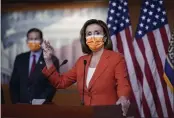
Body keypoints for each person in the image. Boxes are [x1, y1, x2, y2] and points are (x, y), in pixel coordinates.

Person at [42, 19, 131, 116]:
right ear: (85, 39)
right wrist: (48, 59)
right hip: (86, 114)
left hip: (108, 114)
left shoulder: (116, 58)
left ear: (105, 38)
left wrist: (123, 97)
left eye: (97, 33)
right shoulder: (81, 61)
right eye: (89, 34)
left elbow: (123, 84)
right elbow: (61, 82)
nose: (92, 37)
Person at [9, 28, 59, 104]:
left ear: (41, 41)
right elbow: (14, 83)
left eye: (36, 39)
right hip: (21, 105)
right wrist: (16, 102)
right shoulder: (20, 58)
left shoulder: (51, 60)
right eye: (31, 39)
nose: (33, 41)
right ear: (27, 41)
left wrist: (43, 100)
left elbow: (53, 85)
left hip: (42, 107)